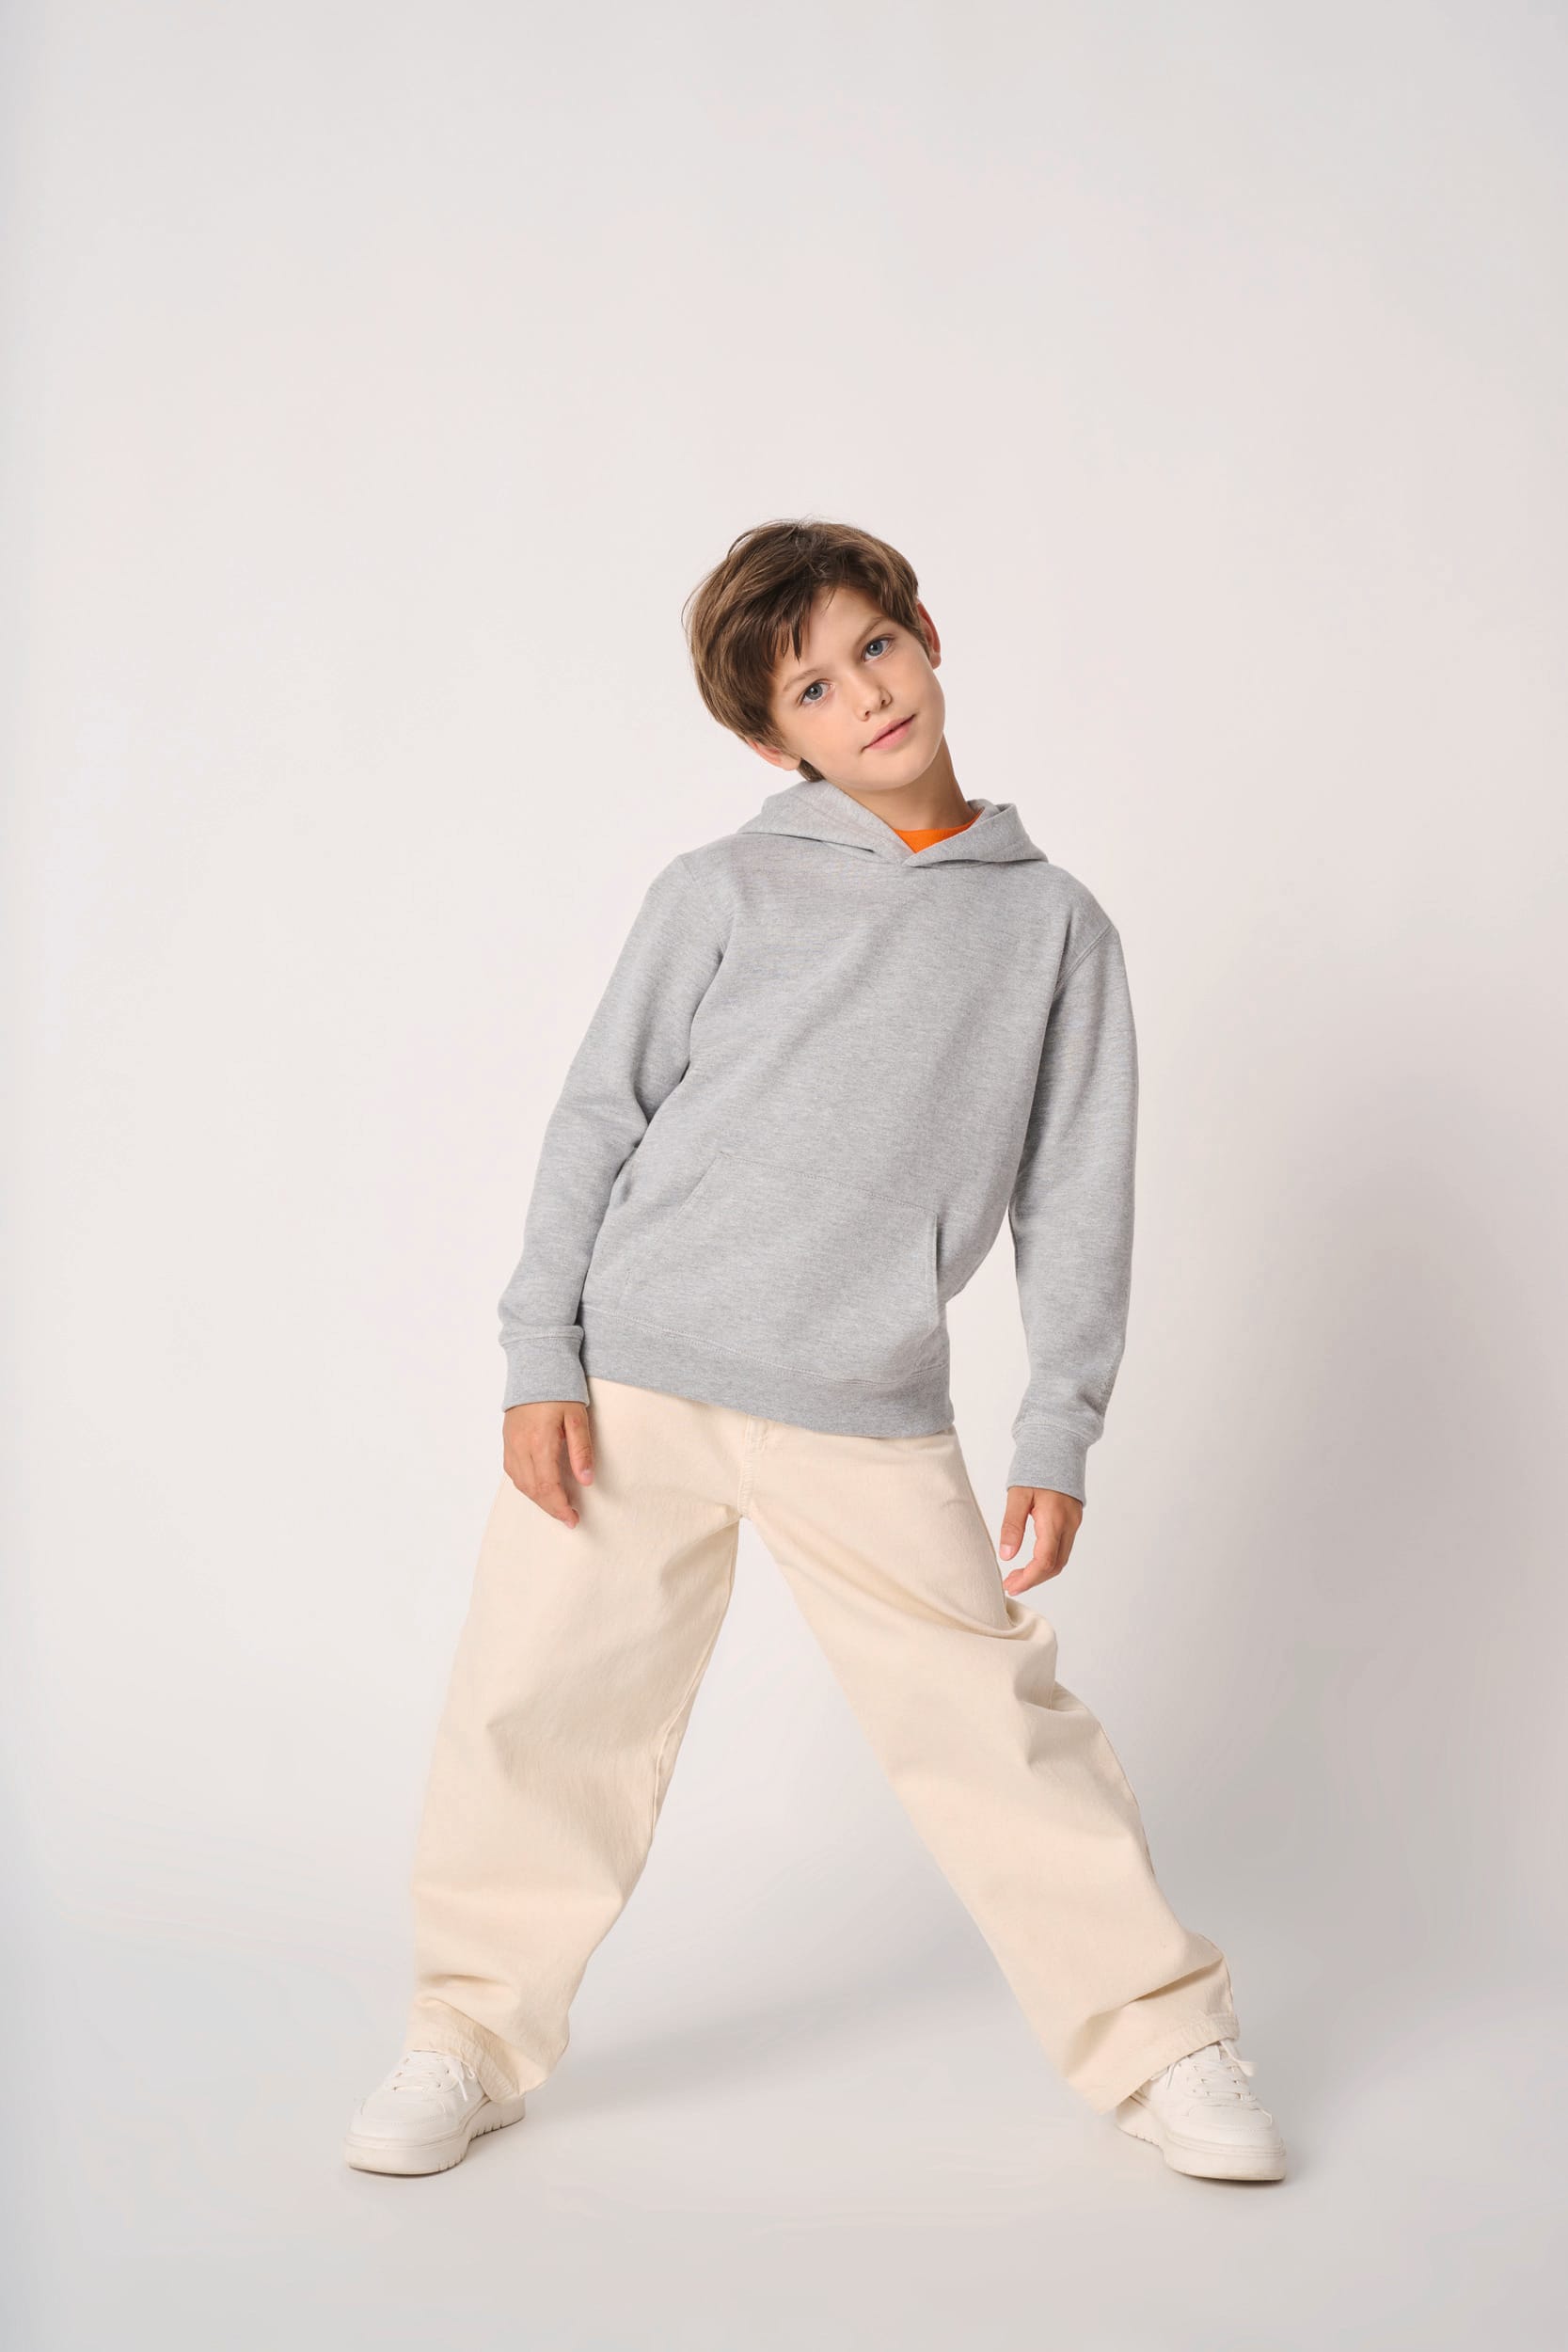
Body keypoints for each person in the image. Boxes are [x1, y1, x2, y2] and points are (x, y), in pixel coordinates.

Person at [343, 518, 1287, 2185]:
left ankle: (1161, 2040)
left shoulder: (1055, 929)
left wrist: (1058, 1425)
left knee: (996, 1729)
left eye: (876, 649)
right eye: (814, 688)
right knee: (539, 1709)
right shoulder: (720, 890)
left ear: (927, 634)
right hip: (637, 1381)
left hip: (863, 1404)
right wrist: (540, 1352)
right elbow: (596, 1119)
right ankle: (465, 2036)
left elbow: (1078, 1195)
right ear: (771, 736)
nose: (866, 697)